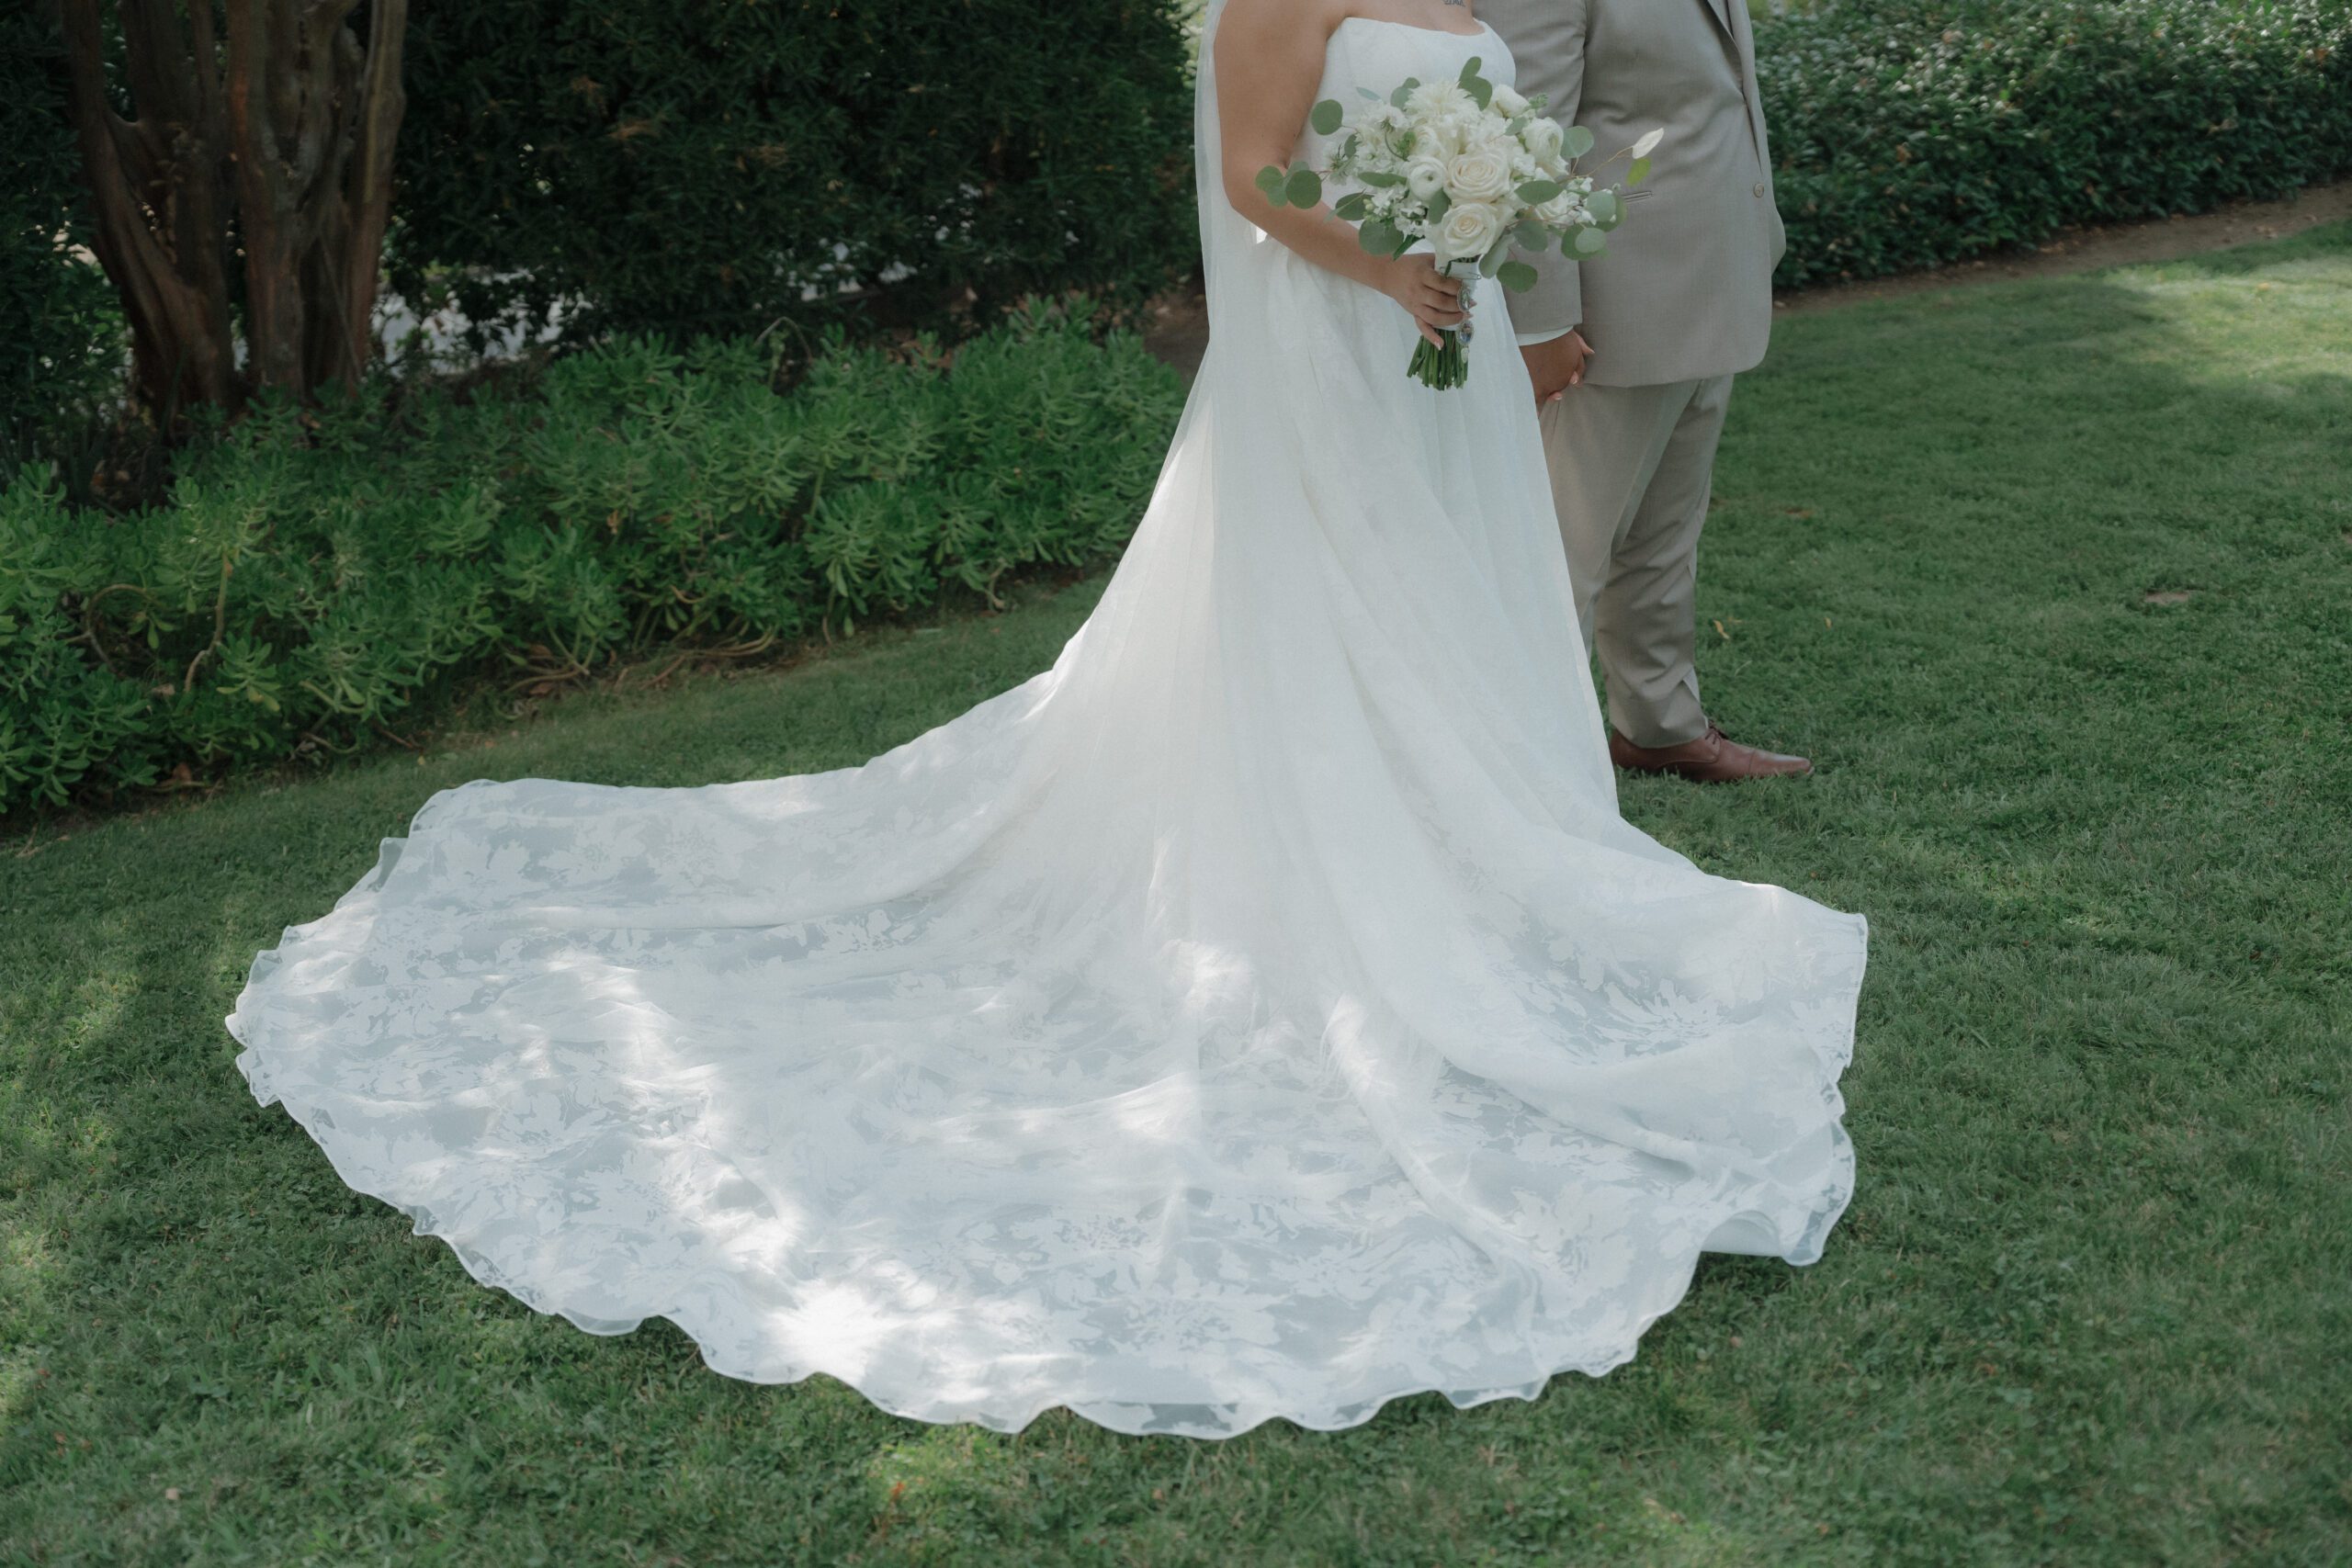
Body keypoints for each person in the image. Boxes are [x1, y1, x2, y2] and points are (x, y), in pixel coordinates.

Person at [227, 0, 1867, 1439]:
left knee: (1446, 621)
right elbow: (1253, 180)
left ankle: (1475, 855)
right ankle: (1339, 882)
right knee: (1340, 629)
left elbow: (1500, 137)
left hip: (1446, 361)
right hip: (1341, 356)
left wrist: (1477, 233)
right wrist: (1387, 262)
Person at [1488, 0, 1816, 782]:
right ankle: (1522, 763)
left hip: (1712, 278)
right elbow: (1524, 139)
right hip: (1610, 306)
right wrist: (1541, 323)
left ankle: (1658, 725)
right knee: (1561, 551)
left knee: (1666, 538)